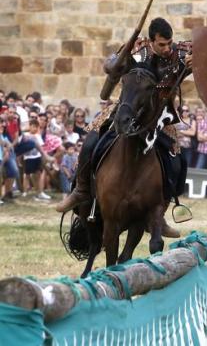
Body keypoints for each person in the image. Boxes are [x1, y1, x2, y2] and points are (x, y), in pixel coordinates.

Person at [55, 17, 193, 239]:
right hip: (128, 109)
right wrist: (114, 64)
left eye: (169, 43)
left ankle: (159, 215)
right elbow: (110, 63)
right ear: (151, 41)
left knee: (178, 159)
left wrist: (199, 61)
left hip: (160, 116)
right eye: (161, 44)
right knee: (92, 139)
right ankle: (81, 190)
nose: (166, 49)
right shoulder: (137, 49)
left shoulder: (180, 53)